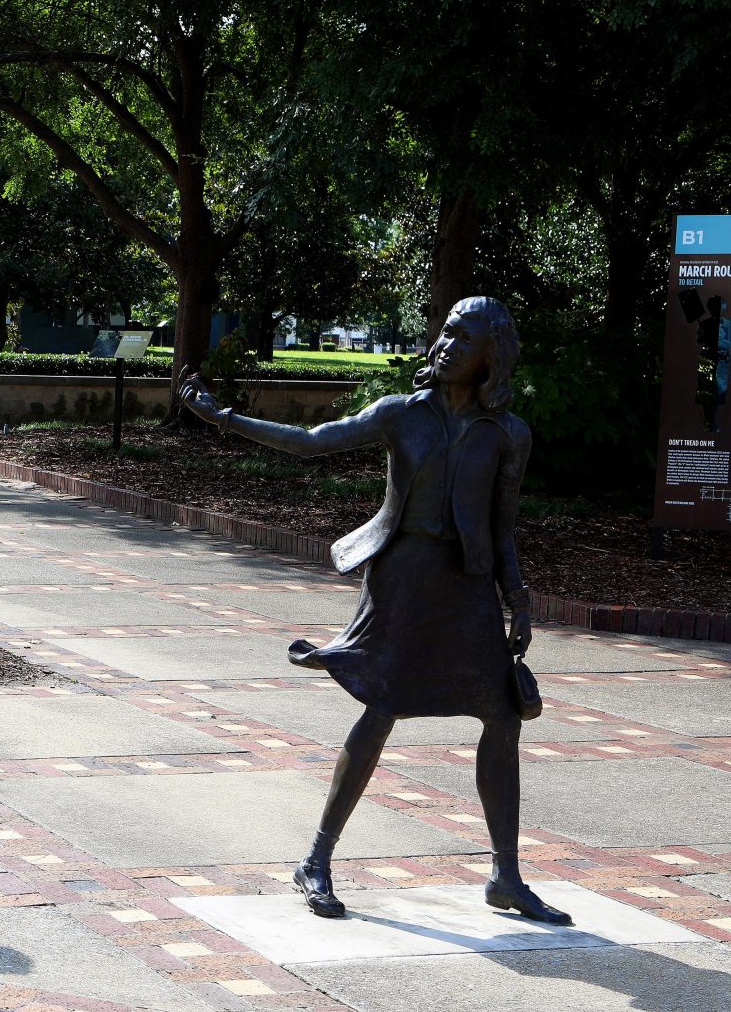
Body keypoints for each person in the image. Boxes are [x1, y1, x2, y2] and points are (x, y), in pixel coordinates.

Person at [180, 297, 569, 926]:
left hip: (465, 585)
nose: (445, 346)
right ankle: (317, 861)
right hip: (403, 578)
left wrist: (517, 600)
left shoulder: (509, 435)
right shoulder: (400, 415)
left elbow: (503, 529)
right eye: (444, 333)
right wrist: (222, 418)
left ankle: (506, 875)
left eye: (463, 339)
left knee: (502, 716)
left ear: (489, 357)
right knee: (382, 708)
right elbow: (312, 442)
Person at [698, 296, 726, 433]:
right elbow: (700, 341)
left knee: (713, 391)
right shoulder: (706, 324)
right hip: (708, 359)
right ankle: (709, 421)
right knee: (708, 390)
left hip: (716, 360)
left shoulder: (724, 324)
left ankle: (711, 421)